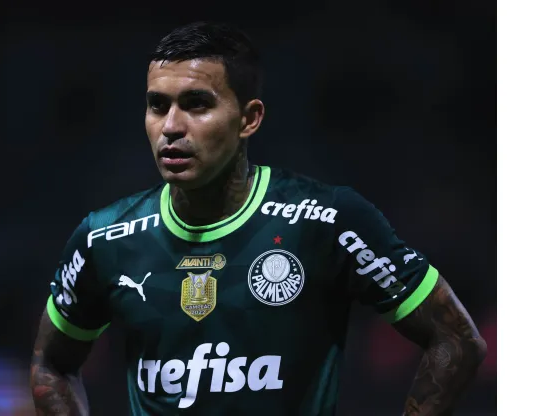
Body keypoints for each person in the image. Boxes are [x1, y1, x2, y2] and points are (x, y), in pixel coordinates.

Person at [30, 21, 487, 416]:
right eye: (157, 105)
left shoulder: (327, 220)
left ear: (249, 118)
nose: (171, 125)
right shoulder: (104, 237)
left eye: (196, 103)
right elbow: (51, 364)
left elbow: (456, 338)